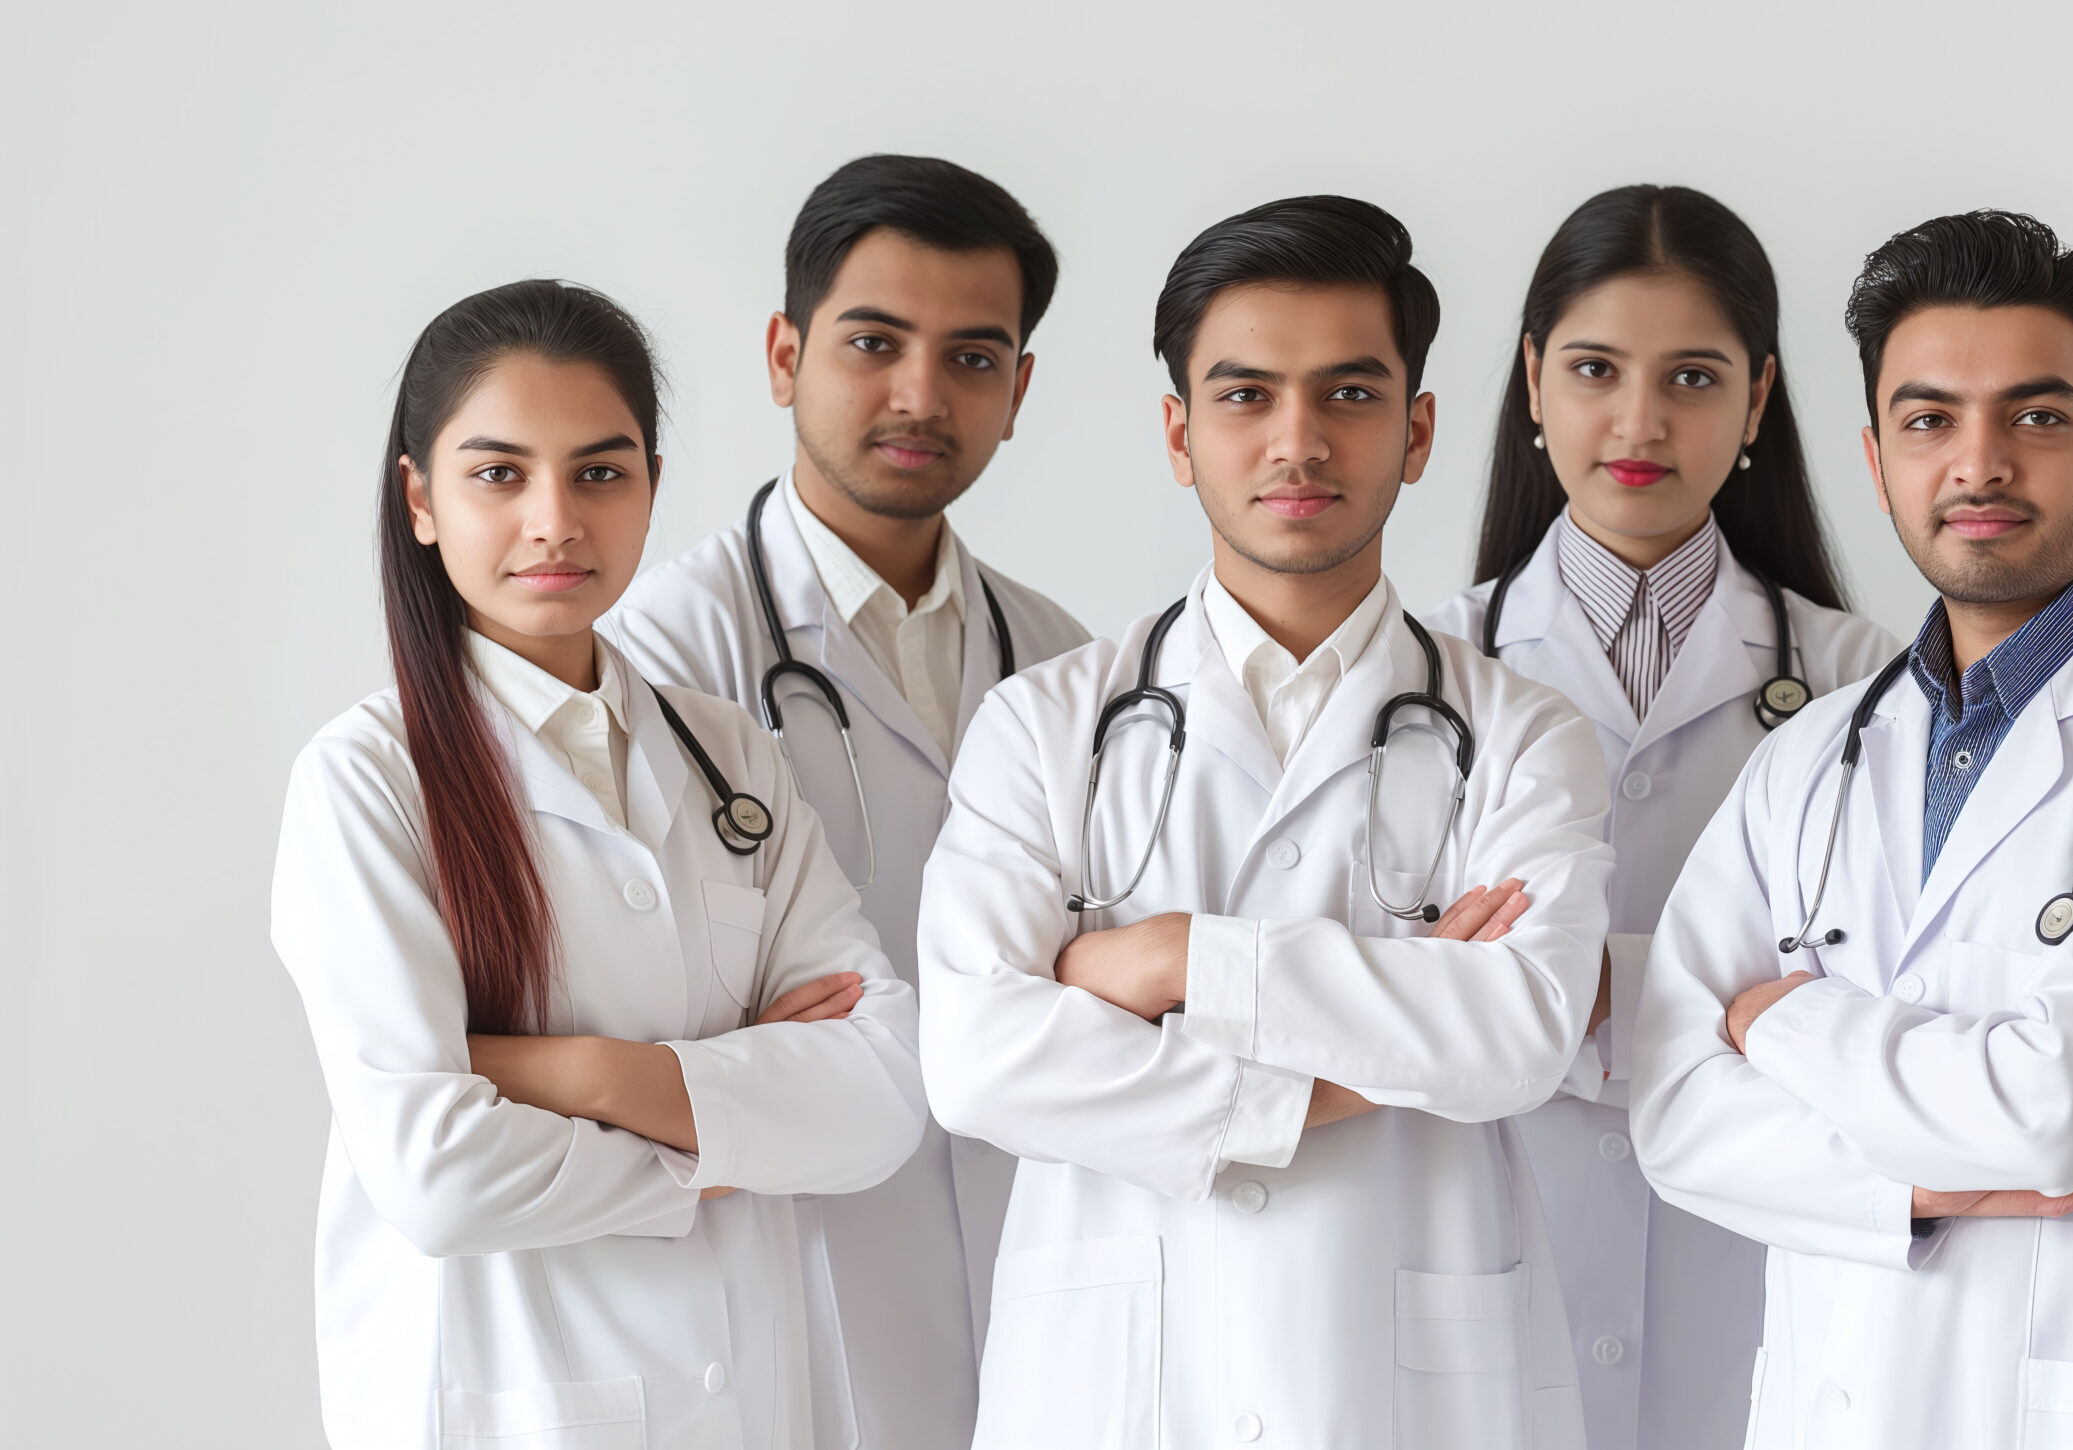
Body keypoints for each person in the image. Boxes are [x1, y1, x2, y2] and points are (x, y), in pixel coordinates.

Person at [916, 196, 1615, 1449]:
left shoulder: (1523, 734)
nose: (1298, 440)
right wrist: (1363, 1060)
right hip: (1121, 1386)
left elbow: (1515, 1036)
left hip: (1410, 1384)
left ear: (1417, 431)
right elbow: (978, 1059)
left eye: (1348, 395)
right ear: (1179, 435)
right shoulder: (1043, 726)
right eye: (1245, 397)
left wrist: (1178, 958)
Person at [1629, 211, 2073, 1450]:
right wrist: (1918, 1181)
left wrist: (1781, 1019)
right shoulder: (1808, 760)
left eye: (2038, 417)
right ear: (1878, 453)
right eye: (1929, 419)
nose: (1979, 461)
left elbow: (2065, 1110)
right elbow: (1675, 1113)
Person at [272, 280, 928, 1450]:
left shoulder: (727, 753)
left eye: (600, 471)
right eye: (498, 473)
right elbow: (438, 1174)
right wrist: (729, 1137)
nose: (554, 520)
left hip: (751, 1394)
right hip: (509, 1397)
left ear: (652, 487)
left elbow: (882, 1095)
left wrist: (575, 1073)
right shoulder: (367, 780)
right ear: (419, 498)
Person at [604, 155, 1087, 1447]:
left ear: (1019, 389)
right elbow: (648, 1018)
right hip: (781, 1279)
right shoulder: (663, 651)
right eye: (874, 341)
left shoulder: (1066, 663)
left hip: (1039, 1277)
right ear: (784, 353)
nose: (922, 394)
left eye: (975, 357)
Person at [1425, 184, 1899, 1450]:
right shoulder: (1421, 677)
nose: (1639, 421)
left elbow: (1886, 1003)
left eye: (1692, 376)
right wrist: (1728, 1007)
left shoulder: (1868, 685)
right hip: (1484, 1256)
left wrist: (1561, 991)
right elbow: (1397, 1012)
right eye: (1594, 369)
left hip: (1759, 1258)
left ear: (1755, 400)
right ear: (1532, 383)